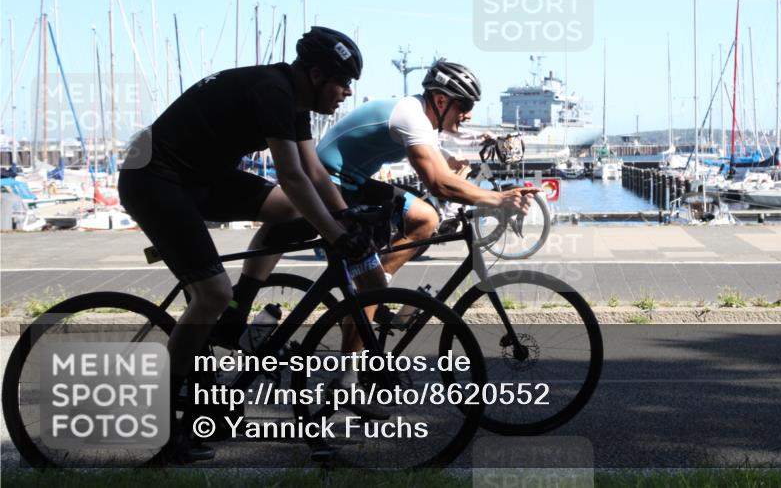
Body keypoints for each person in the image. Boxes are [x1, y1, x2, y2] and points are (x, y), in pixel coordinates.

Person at [119, 27, 371, 462]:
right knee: (210, 293)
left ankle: (237, 308)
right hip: (154, 179)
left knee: (290, 214)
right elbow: (291, 177)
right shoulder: (273, 91)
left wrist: (345, 215)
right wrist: (336, 235)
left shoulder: (294, 99)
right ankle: (167, 429)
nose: (346, 93)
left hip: (199, 177)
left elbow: (314, 172)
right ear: (315, 74)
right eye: (342, 82)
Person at [245, 59, 538, 391]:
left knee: (425, 218)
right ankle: (348, 374)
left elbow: (443, 179)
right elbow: (440, 184)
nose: (468, 114)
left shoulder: (420, 120)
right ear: (441, 101)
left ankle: (376, 282)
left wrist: (478, 188)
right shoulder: (411, 116)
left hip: (352, 181)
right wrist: (498, 201)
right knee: (368, 280)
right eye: (465, 105)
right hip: (330, 183)